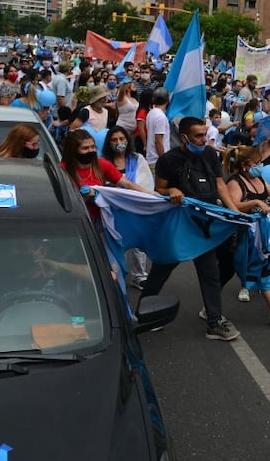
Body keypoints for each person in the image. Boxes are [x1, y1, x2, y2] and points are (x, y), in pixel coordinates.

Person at [140, 117, 242, 342]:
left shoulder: (210, 155)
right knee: (161, 270)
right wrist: (172, 191)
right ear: (184, 137)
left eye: (204, 135)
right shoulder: (169, 160)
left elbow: (220, 185)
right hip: (178, 228)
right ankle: (143, 312)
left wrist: (235, 213)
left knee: (210, 274)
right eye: (198, 136)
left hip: (202, 229)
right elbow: (159, 189)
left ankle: (214, 322)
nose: (203, 139)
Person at [219, 144, 270, 327]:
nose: (260, 166)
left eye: (260, 162)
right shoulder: (236, 182)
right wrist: (255, 202)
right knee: (224, 273)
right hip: (241, 238)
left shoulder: (260, 179)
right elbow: (232, 204)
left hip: (262, 236)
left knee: (264, 271)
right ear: (244, 166)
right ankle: (210, 307)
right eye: (256, 163)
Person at [101, 125, 155, 289]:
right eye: (115, 140)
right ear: (109, 143)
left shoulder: (137, 159)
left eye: (122, 139)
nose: (119, 142)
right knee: (114, 244)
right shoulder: (103, 161)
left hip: (134, 208)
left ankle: (139, 275)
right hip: (112, 211)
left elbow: (146, 182)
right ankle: (114, 274)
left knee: (138, 244)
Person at [60, 129, 153, 221]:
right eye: (85, 148)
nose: (91, 150)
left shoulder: (102, 164)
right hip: (74, 221)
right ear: (74, 150)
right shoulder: (62, 170)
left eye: (93, 147)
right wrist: (84, 198)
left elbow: (127, 184)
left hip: (99, 221)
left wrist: (151, 194)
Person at [145, 88, 171, 167]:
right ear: (167, 100)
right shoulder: (161, 117)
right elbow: (158, 141)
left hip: (152, 158)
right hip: (157, 160)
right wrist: (163, 160)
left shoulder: (151, 113)